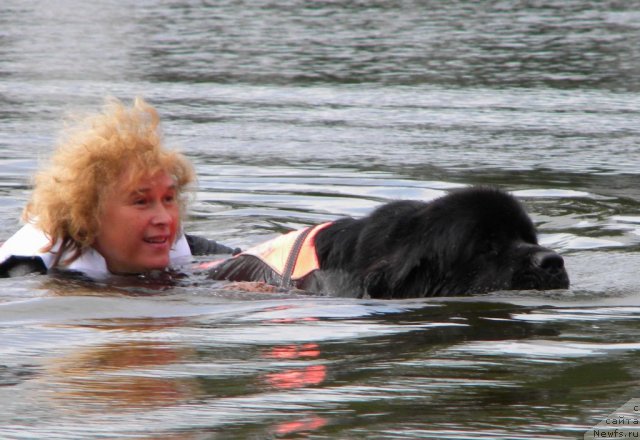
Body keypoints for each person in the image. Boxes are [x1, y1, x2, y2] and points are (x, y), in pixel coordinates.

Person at [0, 97, 237, 279]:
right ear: (89, 216)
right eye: (141, 201)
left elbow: (261, 261)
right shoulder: (27, 273)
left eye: (168, 199)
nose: (164, 218)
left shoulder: (189, 248)